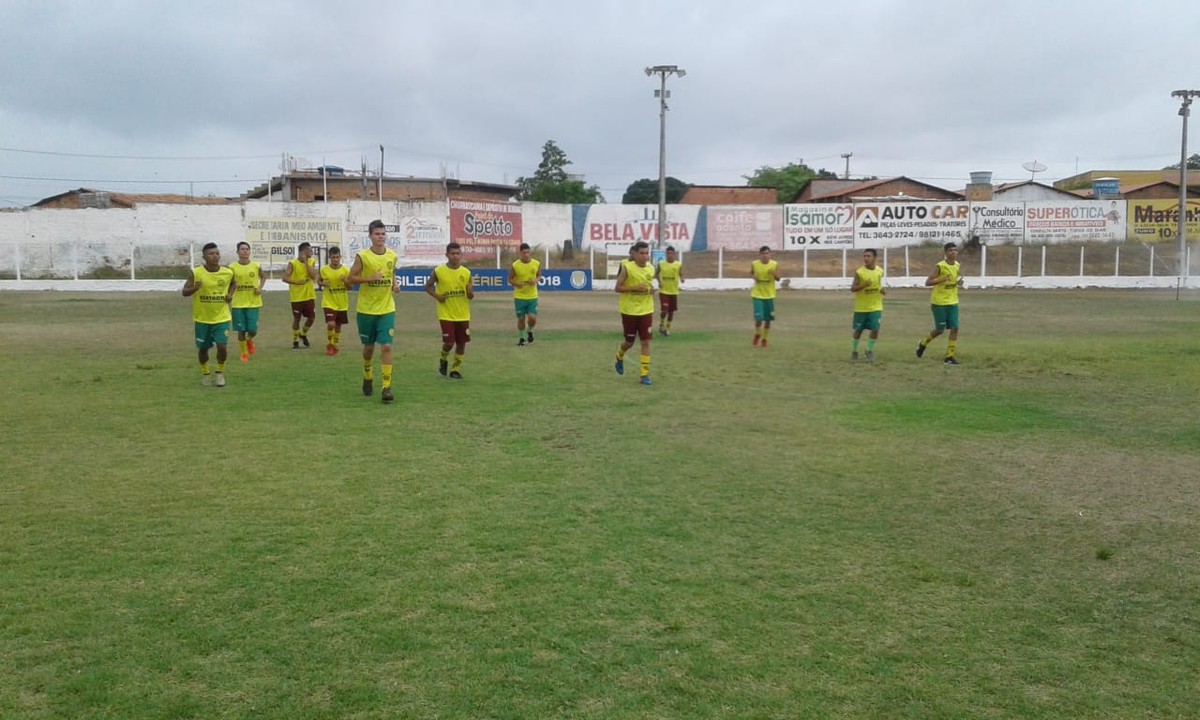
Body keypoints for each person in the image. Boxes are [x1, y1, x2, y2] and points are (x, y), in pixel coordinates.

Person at [347, 220, 400, 402]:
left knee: (386, 346)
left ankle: (386, 387)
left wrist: (394, 284)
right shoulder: (363, 256)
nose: (380, 237)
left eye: (383, 234)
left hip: (387, 309)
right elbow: (350, 278)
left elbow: (391, 272)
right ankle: (367, 374)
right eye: (377, 234)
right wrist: (370, 278)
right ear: (370, 236)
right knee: (369, 348)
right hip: (366, 310)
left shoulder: (392, 255)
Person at [182, 242, 235, 387]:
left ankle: (219, 373)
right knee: (203, 348)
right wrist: (194, 288)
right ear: (204, 257)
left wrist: (230, 294)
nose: (215, 256)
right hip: (202, 318)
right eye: (211, 254)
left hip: (222, 317)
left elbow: (233, 283)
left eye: (217, 253)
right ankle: (205, 373)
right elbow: (184, 292)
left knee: (222, 346)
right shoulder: (196, 272)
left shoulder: (228, 272)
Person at [425, 242, 474, 379]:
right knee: (449, 343)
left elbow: (470, 295)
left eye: (458, 253)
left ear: (461, 255)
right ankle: (443, 358)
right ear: (447, 255)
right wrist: (437, 296)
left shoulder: (466, 273)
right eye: (452, 254)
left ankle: (455, 370)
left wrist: (470, 293)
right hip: (446, 314)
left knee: (461, 344)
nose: (455, 256)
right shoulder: (439, 271)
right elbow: (428, 286)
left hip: (463, 314)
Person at [613, 240, 655, 385]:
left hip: (646, 310)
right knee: (629, 342)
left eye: (647, 253)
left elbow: (649, 286)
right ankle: (619, 355)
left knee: (645, 342)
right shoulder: (627, 268)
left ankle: (644, 375)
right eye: (642, 253)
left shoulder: (651, 268)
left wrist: (651, 290)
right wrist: (635, 288)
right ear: (635, 254)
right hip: (629, 310)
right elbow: (617, 288)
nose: (645, 256)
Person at [916, 241, 965, 365]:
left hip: (953, 301)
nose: (953, 252)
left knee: (955, 328)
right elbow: (928, 282)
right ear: (945, 253)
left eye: (955, 250)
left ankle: (949, 357)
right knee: (939, 330)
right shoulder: (940, 266)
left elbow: (955, 279)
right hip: (939, 302)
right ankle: (923, 343)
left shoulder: (957, 265)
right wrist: (941, 279)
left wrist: (959, 282)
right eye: (950, 250)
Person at [228, 240, 265, 362]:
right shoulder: (232, 267)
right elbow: (228, 282)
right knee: (241, 330)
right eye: (242, 249)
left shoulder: (255, 265)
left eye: (247, 249)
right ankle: (244, 353)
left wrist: (260, 288)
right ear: (237, 252)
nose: (245, 251)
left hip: (253, 302)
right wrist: (229, 294)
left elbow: (263, 276)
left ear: (249, 252)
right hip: (238, 303)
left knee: (253, 330)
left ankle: (249, 340)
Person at [849, 248, 885, 362]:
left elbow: (878, 284)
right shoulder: (859, 272)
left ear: (874, 257)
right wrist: (864, 285)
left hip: (876, 306)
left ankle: (869, 350)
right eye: (864, 256)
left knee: (875, 329)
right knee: (858, 331)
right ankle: (854, 351)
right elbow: (853, 288)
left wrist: (881, 289)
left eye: (868, 256)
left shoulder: (880, 271)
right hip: (861, 308)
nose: (866, 258)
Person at [283, 241, 319, 349]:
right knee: (297, 319)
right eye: (310, 250)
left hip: (309, 295)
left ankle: (303, 333)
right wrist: (296, 282)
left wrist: (305, 262)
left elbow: (313, 276)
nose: (312, 252)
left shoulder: (311, 261)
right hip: (297, 297)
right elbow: (284, 278)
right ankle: (295, 341)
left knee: (311, 318)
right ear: (303, 252)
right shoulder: (293, 263)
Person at [318, 246, 351, 356]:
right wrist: (323, 283)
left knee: (338, 325)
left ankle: (335, 345)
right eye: (333, 257)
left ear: (340, 257)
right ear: (330, 258)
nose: (336, 259)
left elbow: (350, 287)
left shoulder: (346, 270)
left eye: (337, 257)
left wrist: (345, 280)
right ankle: (330, 344)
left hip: (342, 303)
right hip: (329, 302)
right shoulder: (324, 269)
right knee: (331, 323)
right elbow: (318, 281)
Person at [507, 242, 540, 346]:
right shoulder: (515, 265)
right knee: (521, 318)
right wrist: (517, 283)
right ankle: (521, 338)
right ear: (520, 253)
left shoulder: (536, 263)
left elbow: (539, 275)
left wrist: (535, 281)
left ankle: (530, 330)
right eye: (524, 253)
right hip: (519, 297)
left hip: (532, 296)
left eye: (528, 252)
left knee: (532, 318)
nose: (526, 255)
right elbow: (510, 279)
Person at [751, 245, 780, 347]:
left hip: (769, 295)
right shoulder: (754, 264)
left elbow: (778, 278)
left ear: (770, 254)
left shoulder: (774, 264)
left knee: (768, 320)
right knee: (758, 319)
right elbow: (751, 273)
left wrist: (773, 274)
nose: (765, 255)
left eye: (767, 253)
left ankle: (764, 339)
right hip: (757, 294)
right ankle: (757, 333)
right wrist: (754, 277)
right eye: (763, 253)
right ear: (760, 255)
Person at [655, 245, 684, 336]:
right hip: (664, 291)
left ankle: (667, 328)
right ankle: (661, 324)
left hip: (674, 291)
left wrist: (682, 278)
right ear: (666, 254)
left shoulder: (678, 264)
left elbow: (681, 273)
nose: (670, 255)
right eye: (668, 253)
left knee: (671, 311)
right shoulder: (661, 264)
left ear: (674, 254)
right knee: (665, 310)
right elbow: (656, 274)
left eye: (671, 253)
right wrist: (659, 282)